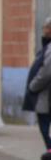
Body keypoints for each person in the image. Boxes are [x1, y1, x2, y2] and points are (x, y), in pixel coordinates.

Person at [26, 17, 51, 151]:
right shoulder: (46, 46)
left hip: (46, 96)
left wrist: (33, 86)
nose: (44, 30)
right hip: (45, 95)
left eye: (46, 28)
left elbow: (46, 72)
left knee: (46, 128)